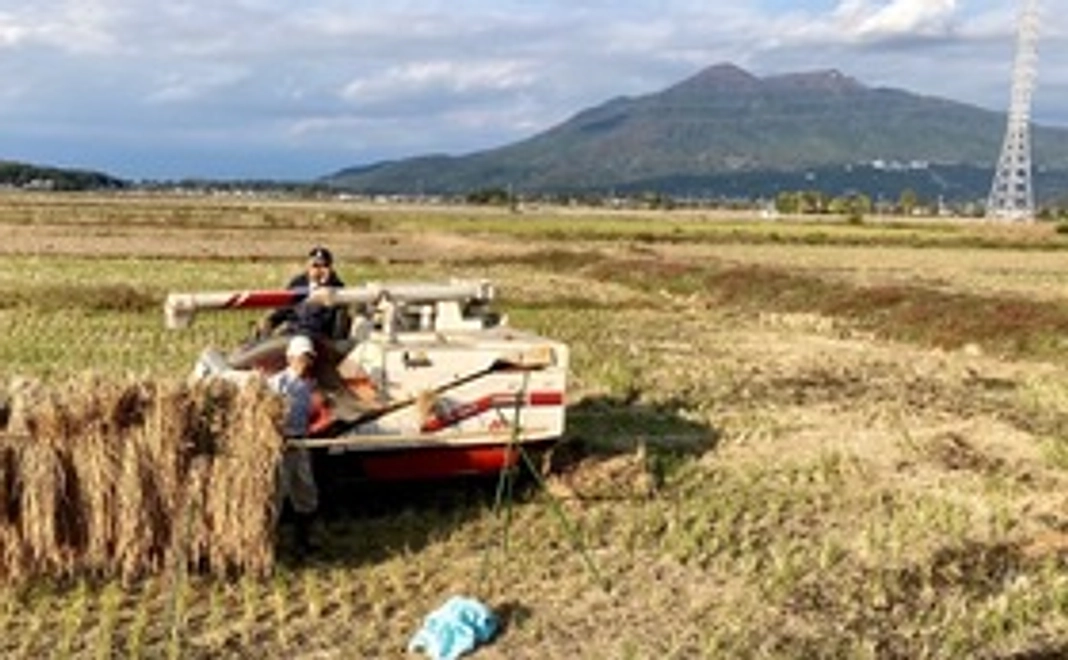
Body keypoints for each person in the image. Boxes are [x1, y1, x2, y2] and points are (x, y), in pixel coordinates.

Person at [268, 334, 321, 556]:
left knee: (306, 493)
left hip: (300, 444)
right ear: (289, 358)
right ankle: (268, 547)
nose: (304, 363)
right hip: (279, 447)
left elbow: (309, 416)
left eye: (307, 359)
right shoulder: (277, 383)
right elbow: (264, 417)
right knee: (275, 496)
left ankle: (302, 543)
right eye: (300, 358)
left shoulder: (308, 386)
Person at [260, 246, 347, 339]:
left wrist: (325, 284)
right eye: (315, 266)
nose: (319, 270)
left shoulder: (336, 287)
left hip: (318, 334)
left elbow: (330, 317)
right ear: (308, 267)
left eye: (324, 266)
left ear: (330, 268)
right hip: (292, 330)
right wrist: (270, 321)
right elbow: (284, 308)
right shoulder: (298, 283)